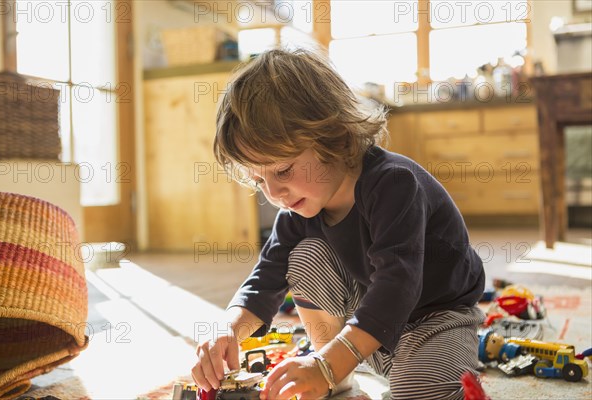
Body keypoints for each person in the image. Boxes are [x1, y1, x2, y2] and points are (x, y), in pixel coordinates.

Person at [190, 48, 486, 400]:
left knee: (417, 390)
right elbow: (265, 278)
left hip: (436, 321)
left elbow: (398, 286)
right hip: (367, 331)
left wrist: (328, 362)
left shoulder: (394, 184)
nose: (273, 193)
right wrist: (227, 329)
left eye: (282, 170)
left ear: (334, 135)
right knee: (303, 255)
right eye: (259, 180)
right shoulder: (298, 210)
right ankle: (335, 377)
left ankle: (332, 367)